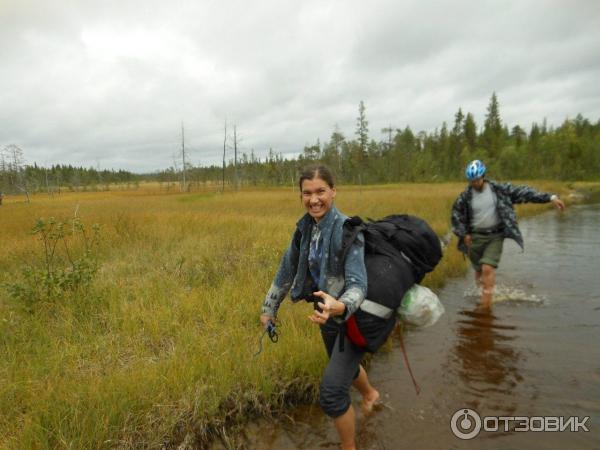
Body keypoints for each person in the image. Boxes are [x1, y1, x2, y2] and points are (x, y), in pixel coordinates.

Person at [260, 165, 379, 450]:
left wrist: (341, 305)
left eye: (320, 191)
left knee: (332, 393)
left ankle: (348, 447)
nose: (314, 199)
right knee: (347, 370)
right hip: (324, 315)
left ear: (333, 191)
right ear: (301, 195)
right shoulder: (304, 229)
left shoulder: (349, 230)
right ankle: (371, 394)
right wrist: (269, 308)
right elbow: (285, 271)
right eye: (307, 193)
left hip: (351, 317)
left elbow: (358, 284)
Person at [451, 159, 565, 309]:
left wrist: (550, 198)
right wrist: (464, 233)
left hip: (495, 236)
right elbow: (456, 215)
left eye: (477, 179)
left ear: (483, 176)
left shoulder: (498, 189)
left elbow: (524, 192)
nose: (475, 183)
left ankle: (485, 307)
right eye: (471, 180)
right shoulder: (465, 196)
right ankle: (480, 296)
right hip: (475, 238)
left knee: (487, 268)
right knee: (479, 271)